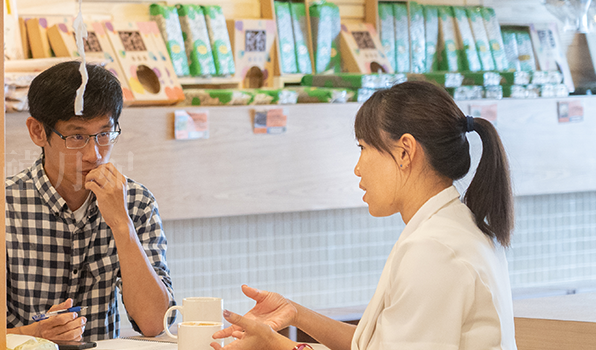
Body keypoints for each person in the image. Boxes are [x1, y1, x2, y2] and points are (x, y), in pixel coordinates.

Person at [211, 81, 516, 350]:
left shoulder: (435, 250)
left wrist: (278, 346)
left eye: (363, 147)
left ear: (405, 151)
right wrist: (295, 313)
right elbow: (375, 344)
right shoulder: (451, 227)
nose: (357, 168)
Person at [5, 61, 175, 342]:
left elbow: (155, 323)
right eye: (77, 136)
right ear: (37, 131)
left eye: (104, 134)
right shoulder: (2, 206)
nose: (94, 155)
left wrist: (122, 224)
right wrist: (34, 334)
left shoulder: (136, 202)